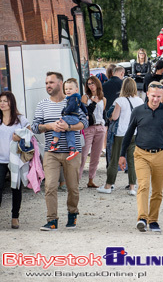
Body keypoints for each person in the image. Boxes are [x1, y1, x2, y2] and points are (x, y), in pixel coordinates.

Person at [121, 81, 163, 232]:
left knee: (157, 190)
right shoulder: (138, 111)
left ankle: (153, 220)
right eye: (153, 96)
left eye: (159, 96)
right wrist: (121, 154)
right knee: (143, 186)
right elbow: (129, 133)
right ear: (147, 95)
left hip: (161, 155)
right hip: (141, 154)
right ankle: (142, 218)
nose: (155, 99)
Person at [32, 72, 88, 231]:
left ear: (61, 84)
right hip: (51, 152)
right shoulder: (42, 104)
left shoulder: (73, 101)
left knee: (73, 187)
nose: (48, 85)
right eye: (46, 83)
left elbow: (84, 122)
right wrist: (50, 126)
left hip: (72, 152)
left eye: (51, 82)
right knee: (49, 186)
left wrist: (68, 127)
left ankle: (72, 215)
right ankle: (52, 220)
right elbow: (35, 127)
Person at [98, 78, 143, 195]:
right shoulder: (140, 101)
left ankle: (108, 185)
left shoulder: (120, 100)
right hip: (134, 133)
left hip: (121, 134)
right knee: (132, 161)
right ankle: (132, 187)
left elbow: (115, 117)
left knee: (114, 159)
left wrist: (111, 113)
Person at [0, 91, 30, 229]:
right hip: (0, 160)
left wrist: (20, 137)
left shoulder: (20, 119)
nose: (2, 103)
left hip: (15, 158)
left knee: (16, 188)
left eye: (5, 101)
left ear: (11, 102)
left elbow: (30, 133)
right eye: (1, 101)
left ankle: (15, 217)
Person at [49, 78, 87, 161]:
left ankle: (55, 143)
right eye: (66, 89)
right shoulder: (77, 98)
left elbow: (70, 107)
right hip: (74, 118)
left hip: (72, 117)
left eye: (70, 89)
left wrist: (65, 112)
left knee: (59, 123)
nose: (68, 91)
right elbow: (82, 106)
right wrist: (86, 113)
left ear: (76, 90)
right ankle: (72, 149)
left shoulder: (72, 98)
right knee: (69, 133)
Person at [79, 76, 107, 188]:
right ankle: (76, 180)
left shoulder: (103, 99)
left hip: (100, 127)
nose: (91, 85)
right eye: (89, 84)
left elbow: (102, 113)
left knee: (96, 156)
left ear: (97, 84)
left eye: (92, 83)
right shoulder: (85, 97)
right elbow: (85, 112)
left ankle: (91, 179)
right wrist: (93, 102)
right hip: (88, 128)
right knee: (83, 155)